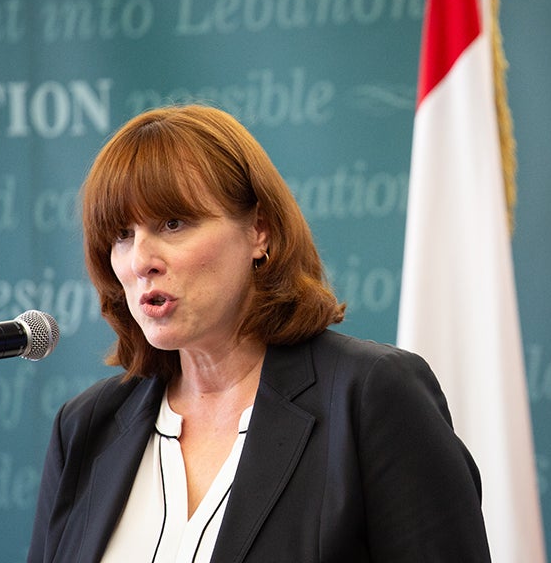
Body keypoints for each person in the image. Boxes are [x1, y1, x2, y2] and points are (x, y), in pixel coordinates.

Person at [27, 104, 491, 562]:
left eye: (173, 223)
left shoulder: (370, 397)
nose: (140, 259)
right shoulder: (86, 428)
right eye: (122, 234)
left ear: (259, 232)